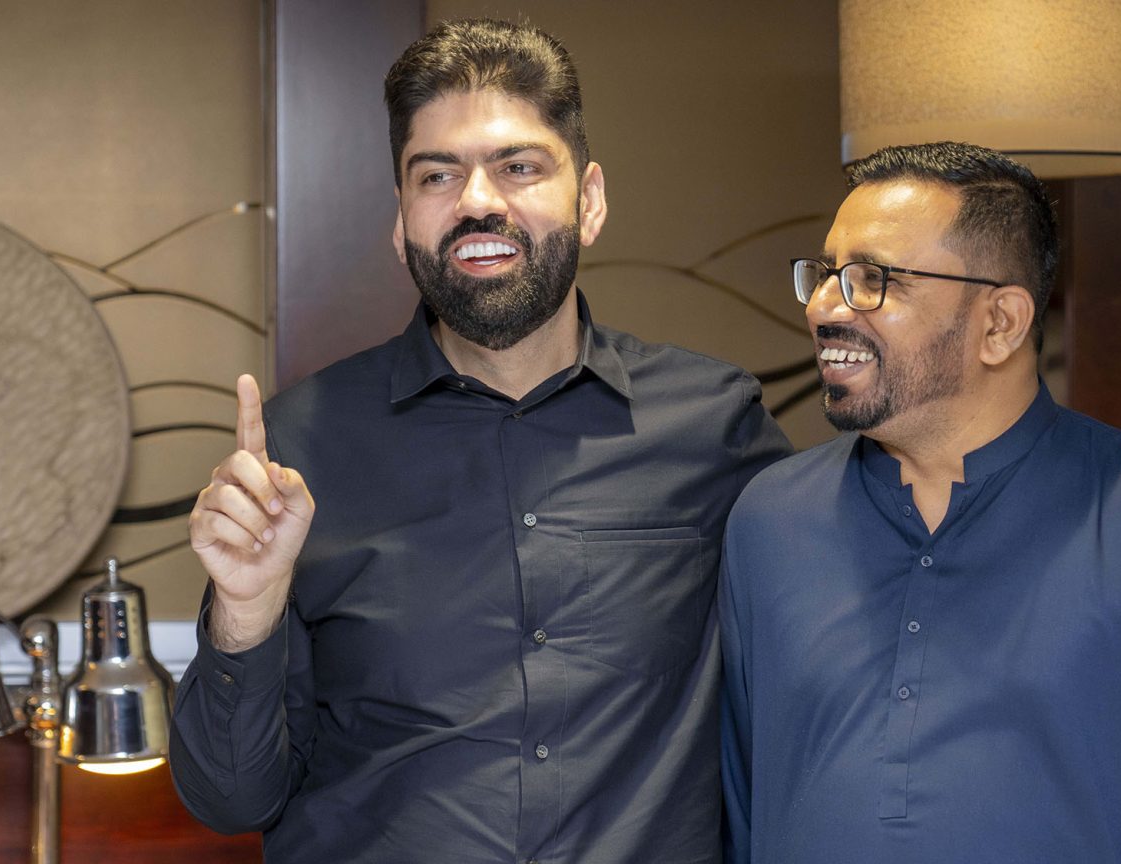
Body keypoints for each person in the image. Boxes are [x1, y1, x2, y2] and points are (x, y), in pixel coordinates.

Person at [168, 19, 791, 863]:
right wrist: (245, 612)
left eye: (519, 166)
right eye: (437, 175)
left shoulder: (714, 426)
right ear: (401, 223)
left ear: (590, 201)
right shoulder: (298, 451)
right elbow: (229, 800)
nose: (477, 201)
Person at [718, 142, 1121, 863]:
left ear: (1000, 323)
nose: (822, 307)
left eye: (873, 279)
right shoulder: (769, 522)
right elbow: (742, 815)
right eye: (824, 274)